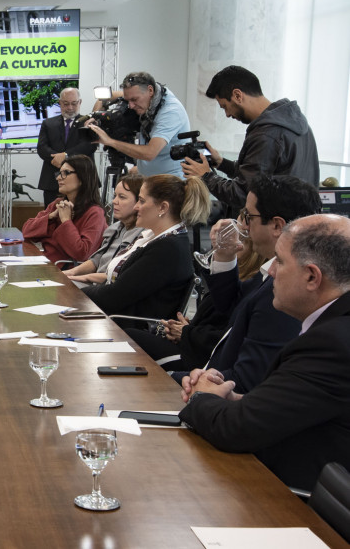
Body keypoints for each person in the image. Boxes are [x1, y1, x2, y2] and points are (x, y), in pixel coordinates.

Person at [179, 214, 350, 492]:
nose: (270, 272)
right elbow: (300, 408)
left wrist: (202, 398)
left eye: (280, 262)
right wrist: (232, 398)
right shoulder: (333, 328)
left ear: (311, 276)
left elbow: (236, 429)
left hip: (296, 505)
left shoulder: (332, 344)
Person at [172, 175, 321, 393]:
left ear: (277, 225)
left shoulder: (287, 291)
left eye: (249, 217)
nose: (243, 224)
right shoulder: (271, 272)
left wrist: (179, 379)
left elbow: (247, 379)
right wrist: (224, 255)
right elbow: (231, 307)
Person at [181, 65, 320, 216]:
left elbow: (242, 195)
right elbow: (262, 176)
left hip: (275, 227)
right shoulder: (294, 122)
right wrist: (221, 163)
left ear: (237, 95)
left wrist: (206, 175)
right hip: (296, 223)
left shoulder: (267, 135)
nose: (227, 114)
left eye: (225, 107)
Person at [125, 233, 262, 372]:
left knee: (129, 338)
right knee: (128, 336)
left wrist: (187, 332)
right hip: (193, 342)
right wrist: (185, 327)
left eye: (239, 238)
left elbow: (227, 336)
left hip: (201, 358)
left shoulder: (250, 286)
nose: (228, 241)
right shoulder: (229, 279)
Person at [82, 174, 211, 318]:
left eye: (142, 201)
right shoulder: (156, 238)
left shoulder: (167, 249)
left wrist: (78, 294)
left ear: (163, 207)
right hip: (119, 319)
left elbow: (115, 297)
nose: (136, 207)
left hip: (127, 328)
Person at [87, 72, 190, 177]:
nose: (130, 106)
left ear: (150, 90)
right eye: (128, 101)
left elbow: (149, 153)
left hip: (170, 181)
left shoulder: (171, 112)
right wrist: (94, 117)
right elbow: (105, 98)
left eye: (134, 100)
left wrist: (110, 141)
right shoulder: (150, 95)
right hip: (148, 178)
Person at [20, 155, 107, 264]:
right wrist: (51, 217)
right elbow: (26, 231)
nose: (58, 178)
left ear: (82, 177)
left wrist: (66, 221)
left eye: (66, 173)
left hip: (66, 272)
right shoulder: (57, 204)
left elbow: (81, 253)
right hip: (46, 265)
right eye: (59, 173)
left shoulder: (95, 212)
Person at [63, 173, 144, 284]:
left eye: (122, 197)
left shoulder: (143, 235)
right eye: (115, 196)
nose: (114, 201)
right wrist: (71, 273)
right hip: (95, 282)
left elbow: (119, 276)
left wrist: (83, 277)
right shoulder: (116, 228)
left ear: (139, 202)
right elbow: (97, 259)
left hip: (108, 287)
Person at [36, 87, 98, 206]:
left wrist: (65, 156)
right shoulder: (48, 124)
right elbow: (42, 148)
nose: (70, 108)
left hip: (82, 181)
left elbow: (89, 146)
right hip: (52, 181)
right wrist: (56, 158)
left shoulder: (88, 122)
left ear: (80, 102)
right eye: (66, 103)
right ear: (60, 103)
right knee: (52, 218)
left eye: (74, 103)